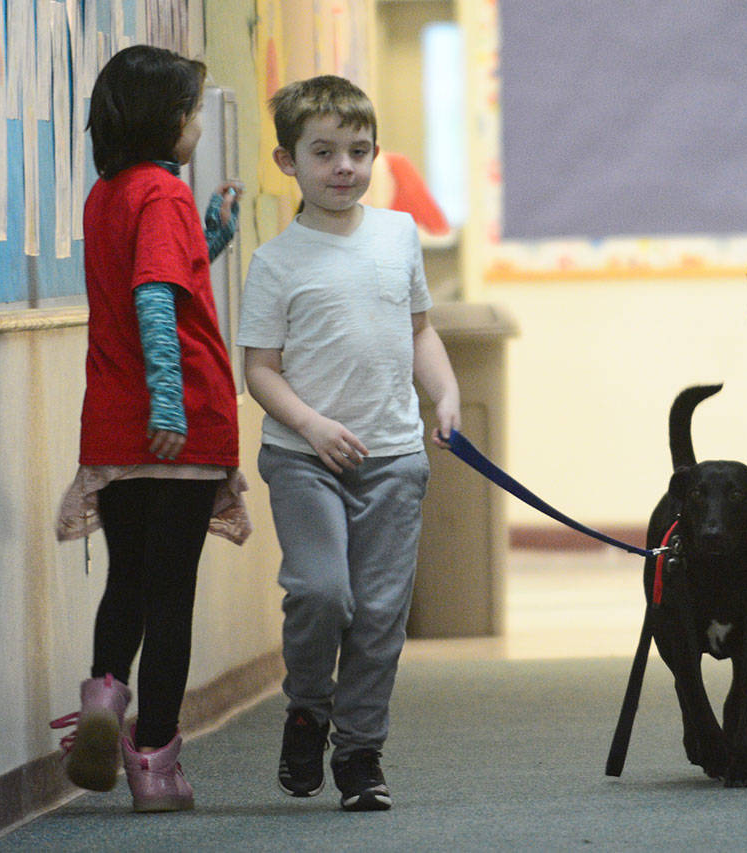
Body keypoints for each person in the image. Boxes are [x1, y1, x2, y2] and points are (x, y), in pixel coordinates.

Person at [236, 75, 461, 813]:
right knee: (321, 590)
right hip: (306, 460)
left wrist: (447, 393)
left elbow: (419, 327)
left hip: (394, 459)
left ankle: (360, 753)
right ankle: (308, 705)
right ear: (287, 161)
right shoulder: (275, 262)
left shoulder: (397, 234)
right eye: (324, 151)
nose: (344, 166)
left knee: (381, 612)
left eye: (359, 151)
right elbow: (259, 370)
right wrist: (311, 424)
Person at [51, 44, 250, 813]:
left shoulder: (109, 195)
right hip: (178, 428)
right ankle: (156, 763)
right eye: (194, 112)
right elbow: (157, 305)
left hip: (113, 428)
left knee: (127, 580)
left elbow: (160, 277)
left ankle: (105, 697)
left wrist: (214, 236)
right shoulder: (161, 193)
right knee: (173, 597)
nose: (199, 125)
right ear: (168, 120)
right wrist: (170, 403)